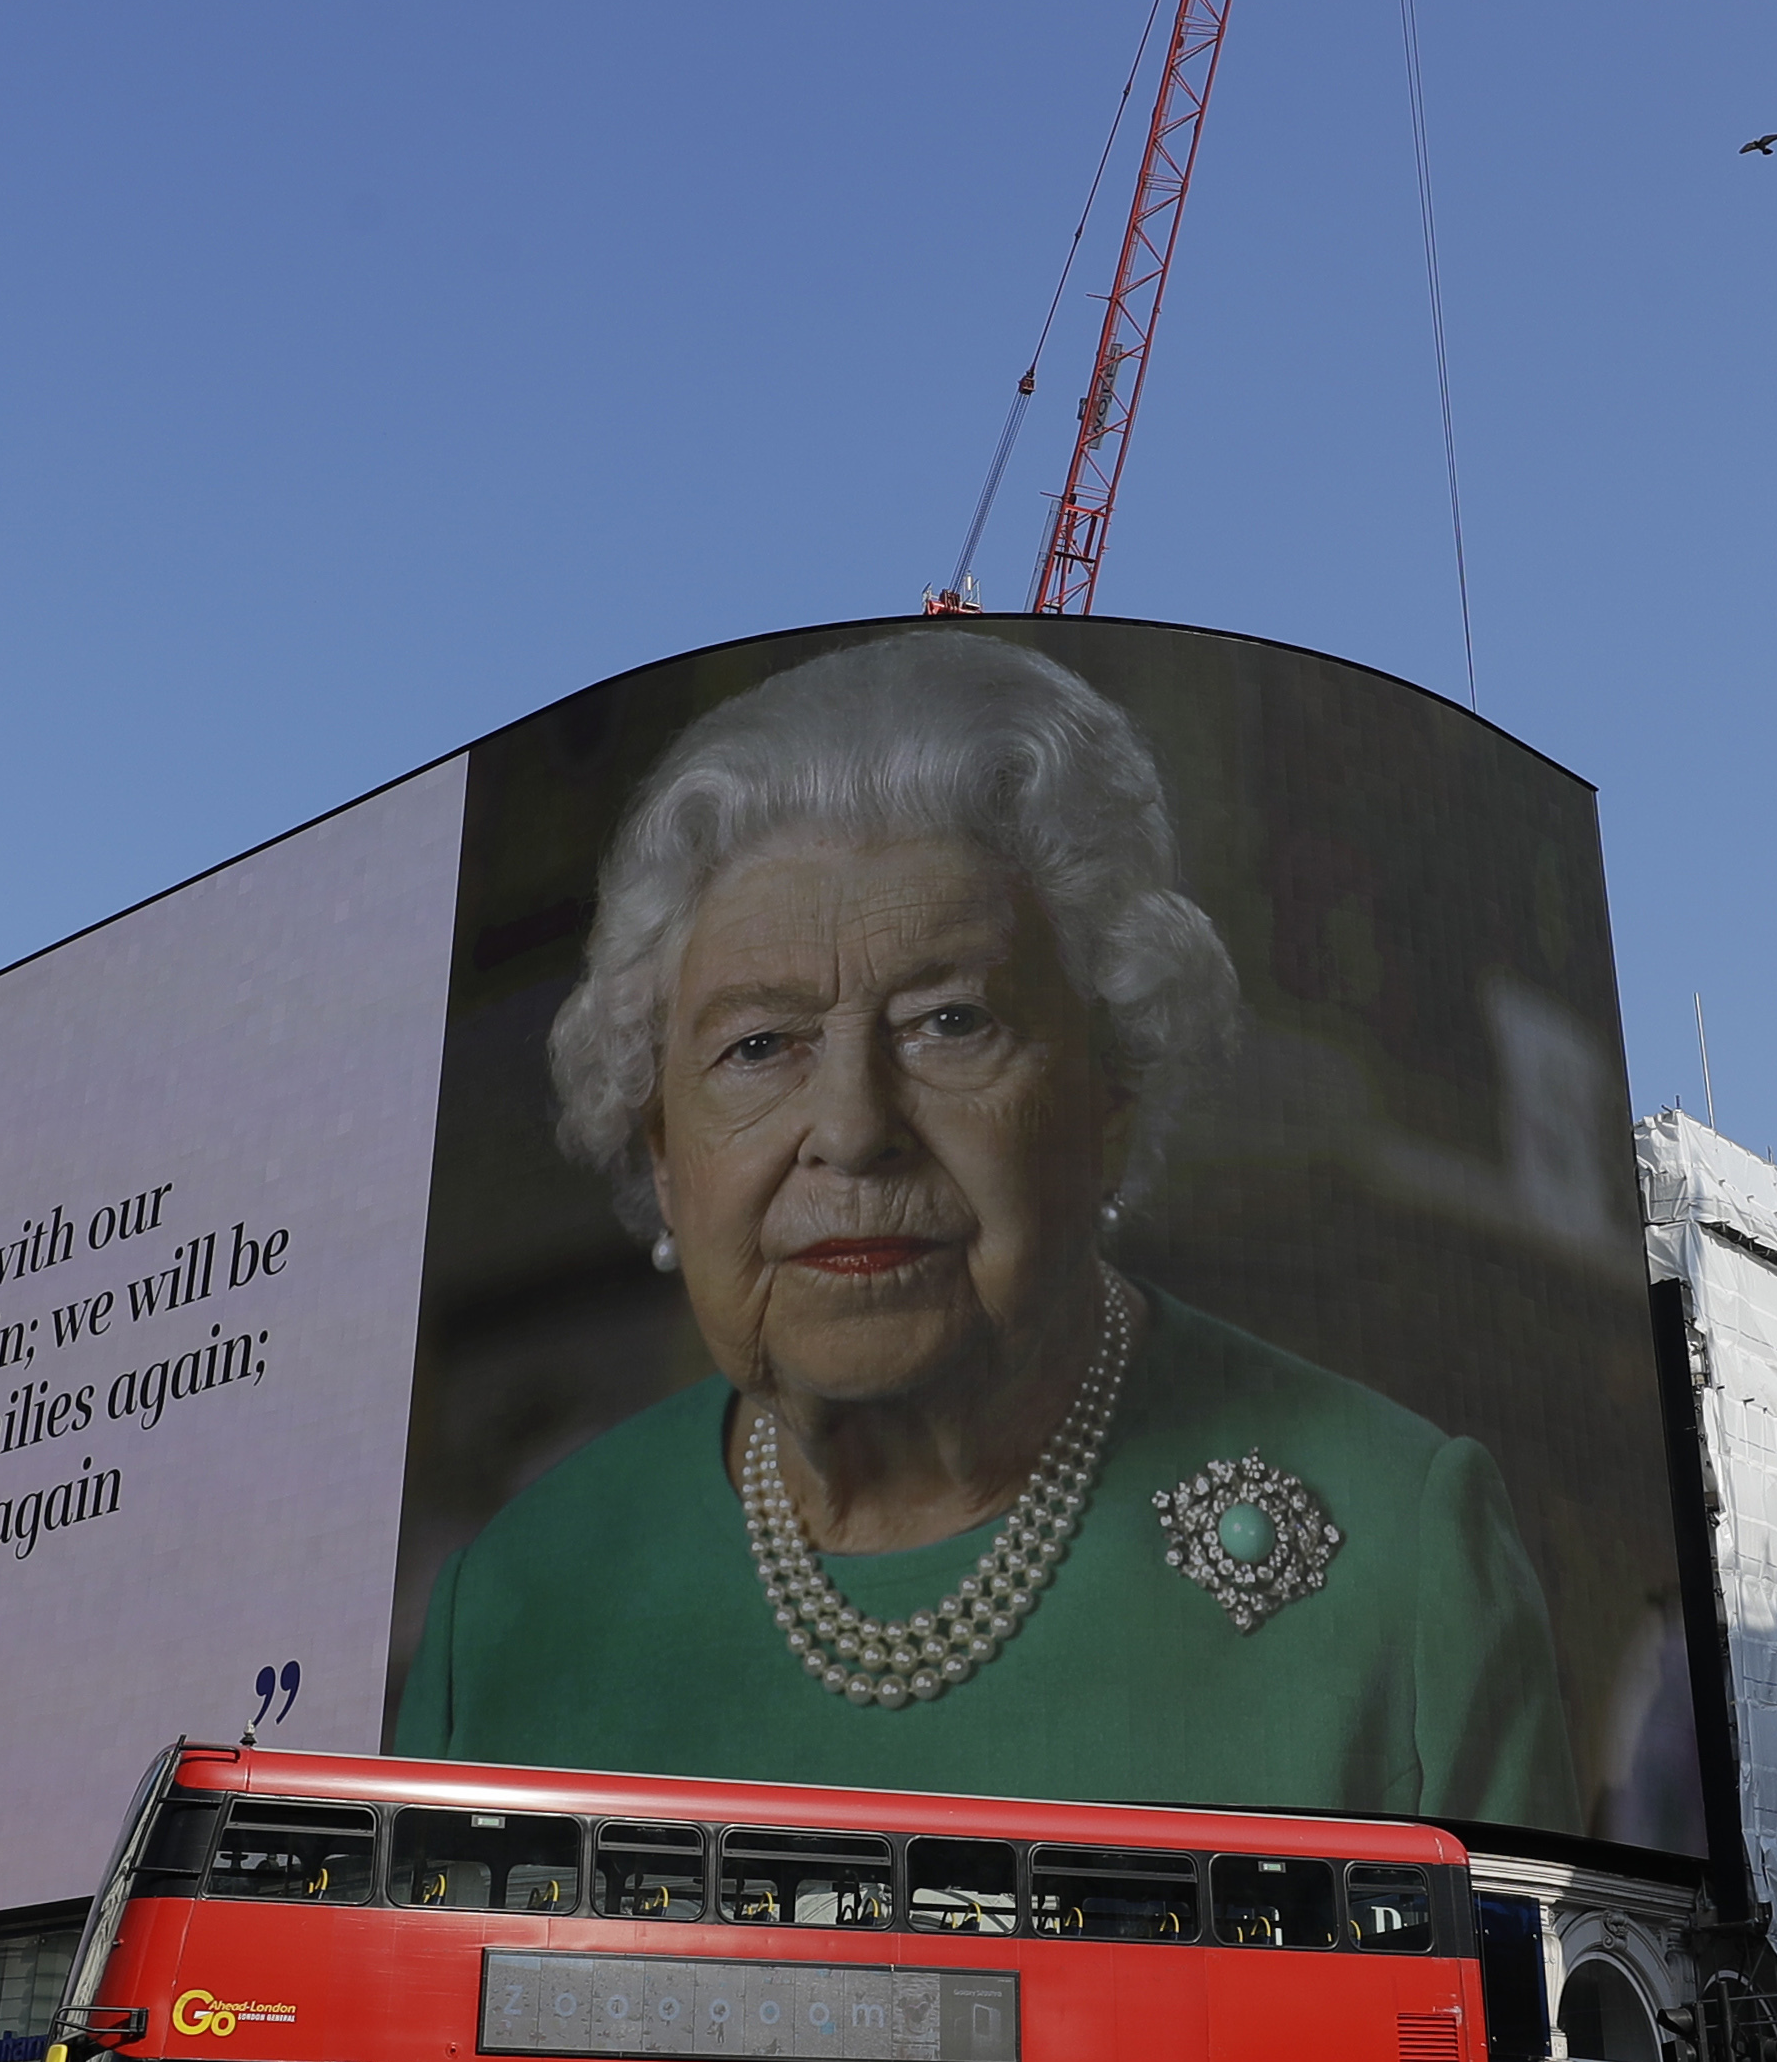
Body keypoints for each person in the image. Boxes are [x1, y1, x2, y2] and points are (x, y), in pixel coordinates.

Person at [393, 631, 1582, 1828]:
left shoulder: (1399, 1552)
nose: (852, 1129)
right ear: (662, 1150)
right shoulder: (510, 1604)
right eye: (758, 1046)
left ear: (1111, 1088)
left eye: (949, 1022)